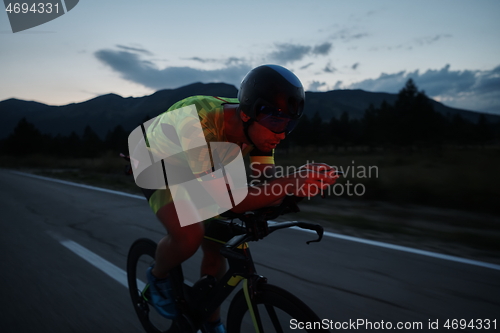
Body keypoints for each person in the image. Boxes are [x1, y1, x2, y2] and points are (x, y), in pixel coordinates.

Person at [138, 64, 338, 332]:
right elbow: (231, 200)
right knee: (190, 235)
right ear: (247, 114)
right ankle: (157, 277)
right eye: (277, 123)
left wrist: (291, 189)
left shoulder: (260, 125)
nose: (281, 134)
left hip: (202, 160)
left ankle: (210, 320)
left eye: (289, 124)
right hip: (156, 161)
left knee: (217, 242)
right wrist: (288, 184)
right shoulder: (199, 121)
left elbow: (264, 178)